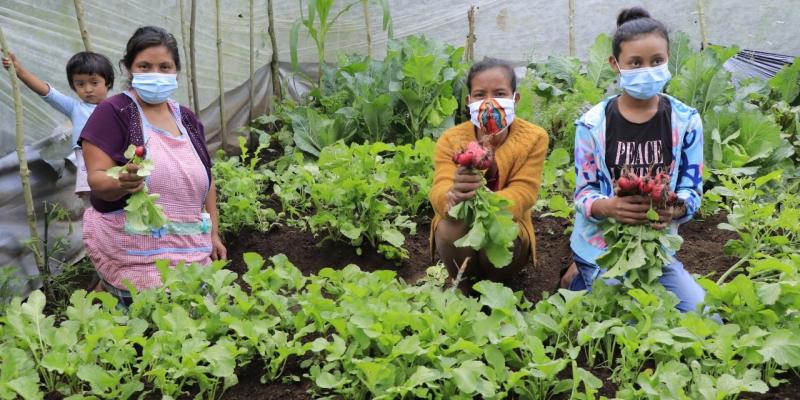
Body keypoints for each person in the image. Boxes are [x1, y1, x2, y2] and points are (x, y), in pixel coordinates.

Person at [561, 7, 705, 312]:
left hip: (656, 248)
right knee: (622, 317)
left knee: (703, 317)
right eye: (635, 63)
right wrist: (609, 207)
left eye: (657, 61)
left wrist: (674, 208)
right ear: (616, 64)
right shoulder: (592, 124)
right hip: (601, 247)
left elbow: (693, 191)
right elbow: (584, 194)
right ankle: (579, 274)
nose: (647, 70)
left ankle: (585, 279)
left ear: (668, 61)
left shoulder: (686, 121)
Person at [79, 26, 226, 306]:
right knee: (151, 322)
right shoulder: (114, 112)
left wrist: (213, 233)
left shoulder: (187, 119)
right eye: (144, 66)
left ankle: (99, 299)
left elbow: (205, 179)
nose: (155, 73)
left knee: (201, 316)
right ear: (129, 68)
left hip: (189, 246)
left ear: (176, 71)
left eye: (164, 66)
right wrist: (121, 181)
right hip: (133, 253)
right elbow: (96, 180)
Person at [430, 58, 549, 294]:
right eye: (479, 94)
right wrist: (452, 196)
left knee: (501, 233)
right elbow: (439, 186)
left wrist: (487, 203)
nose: (489, 102)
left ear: (515, 99)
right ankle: (465, 287)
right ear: (468, 102)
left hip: (506, 226)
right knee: (448, 226)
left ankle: (496, 287)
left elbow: (525, 192)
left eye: (499, 93)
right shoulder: (450, 139)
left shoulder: (534, 137)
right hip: (460, 234)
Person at [2, 51, 114, 195]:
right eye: (80, 84)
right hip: (87, 164)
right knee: (93, 200)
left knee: (116, 197)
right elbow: (48, 93)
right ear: (73, 87)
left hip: (113, 161)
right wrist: (20, 71)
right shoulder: (75, 108)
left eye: (94, 82)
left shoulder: (118, 107)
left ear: (108, 82)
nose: (88, 89)